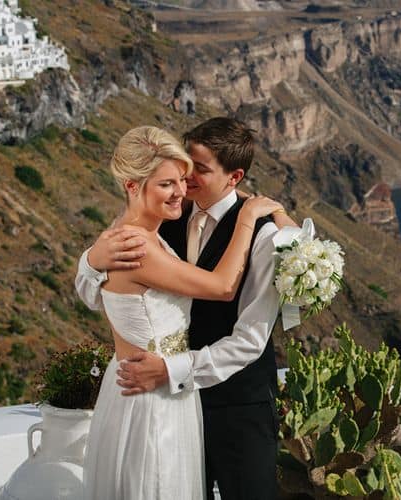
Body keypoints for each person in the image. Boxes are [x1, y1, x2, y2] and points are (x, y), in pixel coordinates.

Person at [76, 118, 294, 500]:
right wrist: (92, 261)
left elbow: (251, 340)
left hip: (235, 407)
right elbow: (95, 293)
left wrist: (172, 371)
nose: (184, 186)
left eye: (196, 173)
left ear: (235, 176)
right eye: (178, 175)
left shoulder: (266, 236)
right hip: (159, 397)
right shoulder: (163, 218)